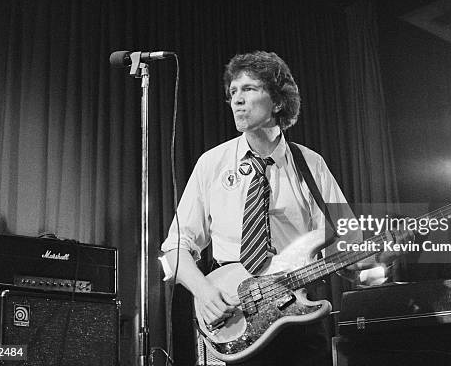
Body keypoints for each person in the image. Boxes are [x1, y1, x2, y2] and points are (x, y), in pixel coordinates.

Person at [160, 51, 386, 366]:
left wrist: (367, 267)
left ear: (278, 102)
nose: (237, 99)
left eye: (249, 89)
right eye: (233, 92)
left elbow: (347, 242)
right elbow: (175, 247)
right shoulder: (211, 163)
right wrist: (203, 292)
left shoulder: (311, 164)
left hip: (299, 323)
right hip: (235, 319)